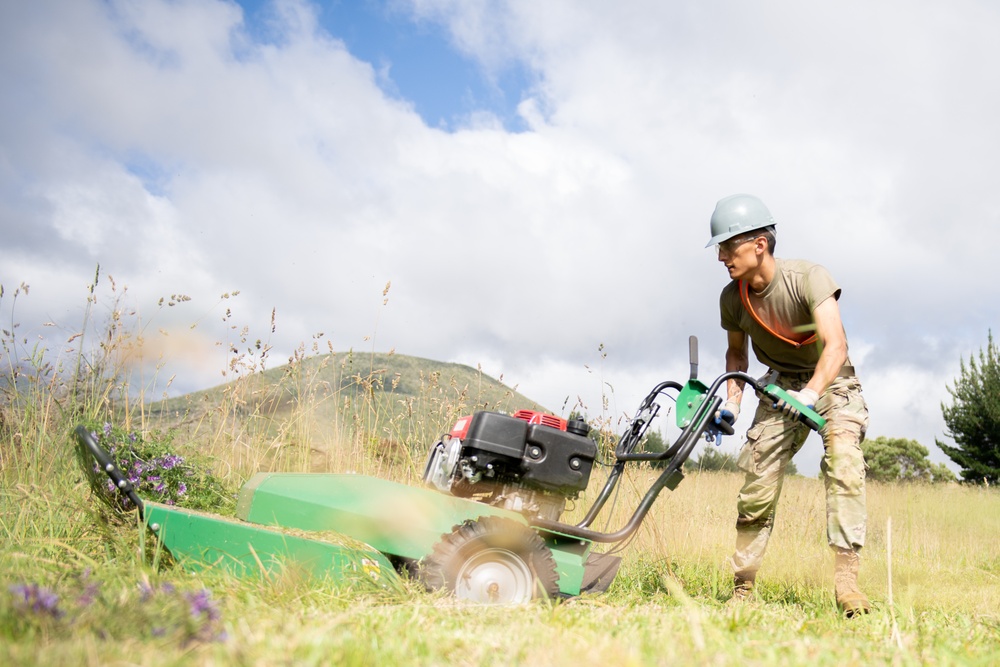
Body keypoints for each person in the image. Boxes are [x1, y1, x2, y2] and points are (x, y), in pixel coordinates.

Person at [707, 193, 871, 617]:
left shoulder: (808, 278)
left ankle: (847, 587)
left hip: (832, 382)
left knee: (845, 468)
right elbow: (737, 357)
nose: (722, 256)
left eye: (728, 246)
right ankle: (742, 589)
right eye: (721, 248)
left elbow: (837, 345)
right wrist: (733, 401)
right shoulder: (732, 298)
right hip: (778, 387)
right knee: (757, 484)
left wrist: (812, 393)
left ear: (759, 244)